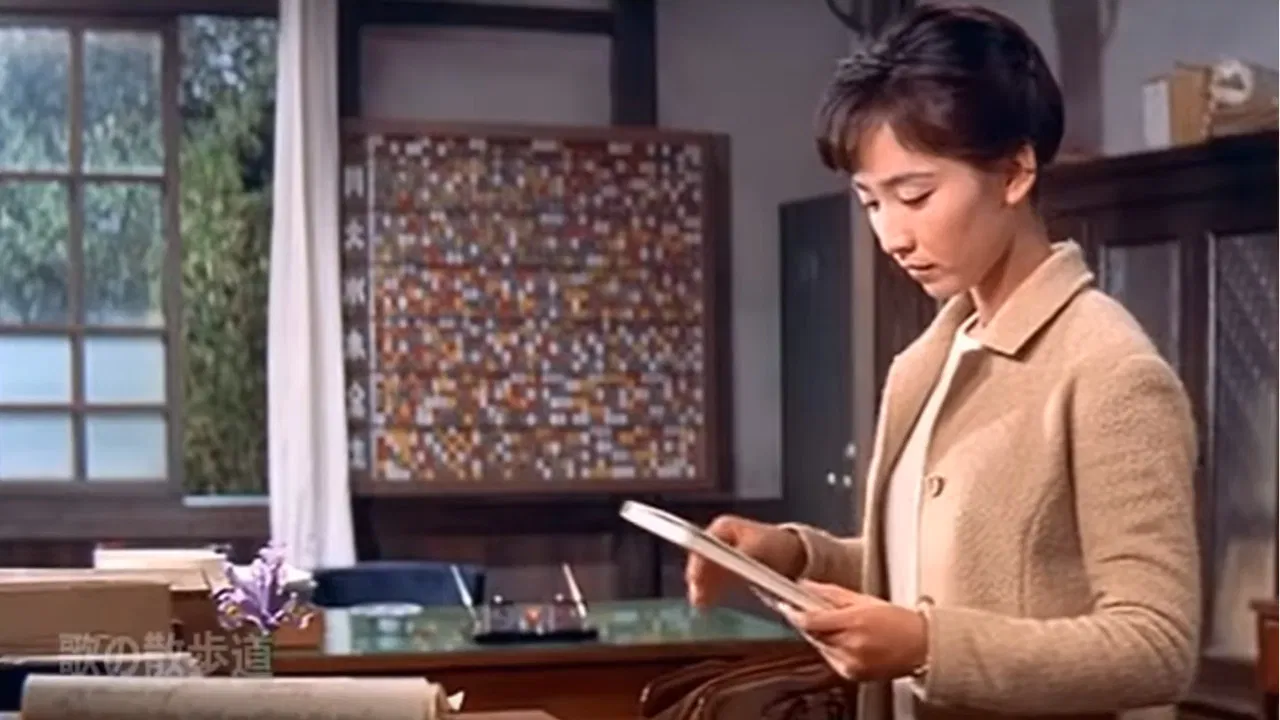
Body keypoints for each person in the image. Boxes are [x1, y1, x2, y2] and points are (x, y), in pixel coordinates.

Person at [684, 4, 1200, 720]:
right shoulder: (929, 359)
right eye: (871, 202)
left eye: (915, 195)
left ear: (1015, 171)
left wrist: (930, 646)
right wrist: (795, 555)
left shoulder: (1109, 371)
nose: (892, 235)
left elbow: (1157, 645)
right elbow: (941, 569)